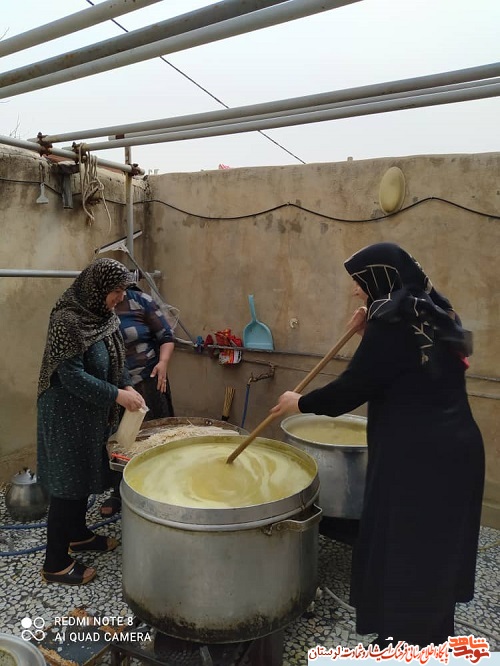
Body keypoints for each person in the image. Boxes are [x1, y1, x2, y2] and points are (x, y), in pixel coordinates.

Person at [271, 242, 485, 648]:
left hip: (418, 458)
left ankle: (406, 645)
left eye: (359, 282)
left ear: (380, 278)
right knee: (434, 549)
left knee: (406, 550)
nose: (355, 291)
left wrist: (299, 402)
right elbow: (414, 366)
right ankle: (429, 637)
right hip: (457, 451)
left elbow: (355, 386)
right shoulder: (437, 309)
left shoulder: (393, 321)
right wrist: (370, 326)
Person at [37, 258, 146, 585]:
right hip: (64, 410)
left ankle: (78, 534)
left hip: (91, 411)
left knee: (84, 473)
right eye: (116, 290)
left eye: (123, 290)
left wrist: (126, 384)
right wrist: (117, 395)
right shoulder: (67, 320)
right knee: (67, 483)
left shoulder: (104, 316)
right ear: (97, 288)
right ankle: (54, 563)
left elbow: (117, 356)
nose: (121, 297)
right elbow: (70, 376)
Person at [100, 284, 175, 517]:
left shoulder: (140, 301)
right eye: (115, 291)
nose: (119, 296)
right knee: (121, 439)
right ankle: (119, 490)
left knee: (158, 435)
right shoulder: (96, 309)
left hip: (149, 380)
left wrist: (163, 363)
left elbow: (166, 337)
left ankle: (162, 485)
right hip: (116, 388)